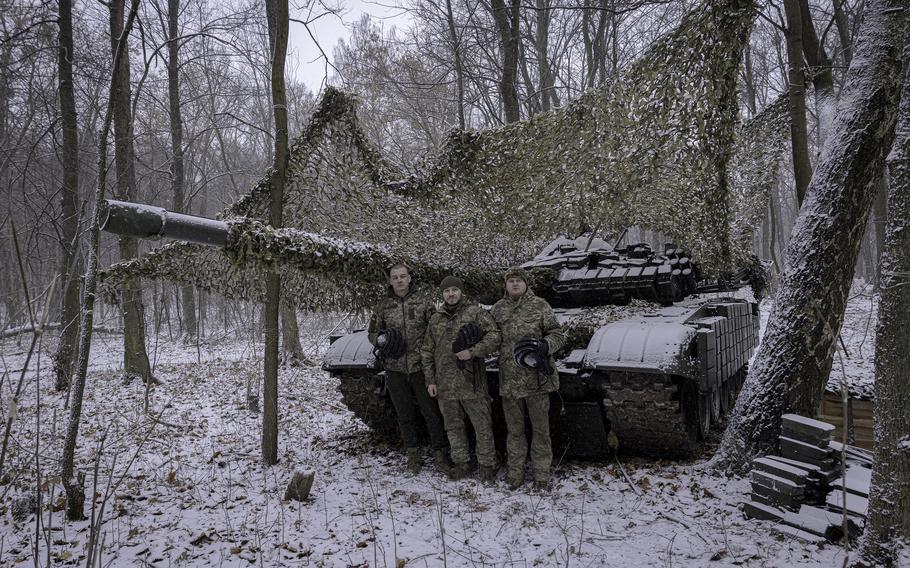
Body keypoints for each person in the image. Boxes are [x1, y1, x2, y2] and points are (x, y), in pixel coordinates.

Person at [368, 263, 451, 475]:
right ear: (390, 281)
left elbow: (435, 331)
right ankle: (413, 456)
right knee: (404, 414)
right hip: (395, 368)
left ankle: (440, 455)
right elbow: (372, 333)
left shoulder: (423, 303)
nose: (399, 280)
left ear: (409, 278)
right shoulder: (383, 306)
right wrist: (381, 340)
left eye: (403, 276)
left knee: (431, 413)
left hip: (421, 367)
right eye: (395, 277)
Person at [491, 267, 567, 490]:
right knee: (514, 431)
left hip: (537, 380)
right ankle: (515, 474)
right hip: (510, 382)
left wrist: (545, 345)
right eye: (511, 281)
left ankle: (541, 475)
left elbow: (557, 334)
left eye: (519, 281)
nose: (515, 284)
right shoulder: (497, 309)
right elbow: (490, 337)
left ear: (526, 284)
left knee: (541, 430)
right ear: (506, 285)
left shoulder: (540, 305)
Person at [421, 275, 501, 481]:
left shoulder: (475, 313)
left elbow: (494, 336)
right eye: (447, 291)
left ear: (461, 292)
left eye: (454, 290)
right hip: (445, 384)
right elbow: (427, 350)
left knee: (481, 425)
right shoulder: (436, 319)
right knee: (453, 426)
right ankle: (461, 462)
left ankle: (486, 464)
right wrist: (430, 380)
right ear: (443, 294)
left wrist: (473, 351)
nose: (451, 294)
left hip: (471, 382)